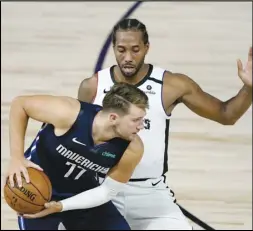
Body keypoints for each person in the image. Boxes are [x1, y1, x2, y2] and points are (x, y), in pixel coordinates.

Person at [77, 18, 252, 230]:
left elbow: (226, 115)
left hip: (150, 193)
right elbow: (76, 142)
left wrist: (249, 89)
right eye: (121, 50)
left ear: (147, 48)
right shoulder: (92, 86)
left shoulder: (171, 85)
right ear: (113, 48)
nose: (128, 58)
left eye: (135, 49)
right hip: (103, 188)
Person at [6, 82, 149, 230]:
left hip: (84, 194)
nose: (141, 126)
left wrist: (62, 206)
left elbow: (107, 191)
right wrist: (17, 158)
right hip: (37, 190)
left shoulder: (132, 148)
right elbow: (20, 104)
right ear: (113, 118)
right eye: (135, 120)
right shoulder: (68, 113)